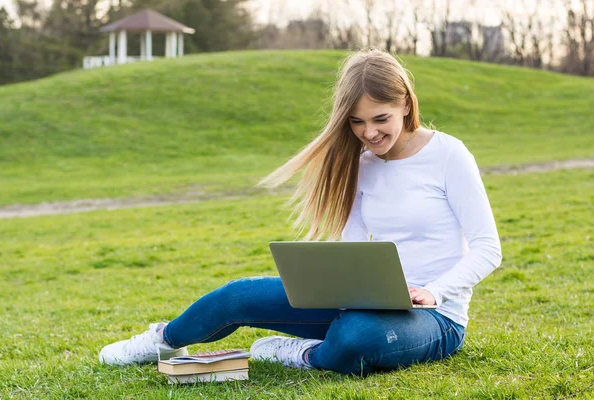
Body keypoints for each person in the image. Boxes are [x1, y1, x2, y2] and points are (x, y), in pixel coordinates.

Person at [99, 49, 502, 376]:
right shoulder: (359, 164)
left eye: (381, 119)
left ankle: (306, 354)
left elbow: (487, 248)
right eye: (357, 122)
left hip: (436, 319)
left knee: (355, 340)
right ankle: (163, 340)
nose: (370, 133)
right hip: (364, 304)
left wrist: (432, 292)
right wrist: (346, 286)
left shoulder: (449, 154)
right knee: (237, 296)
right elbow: (355, 243)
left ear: (407, 105)